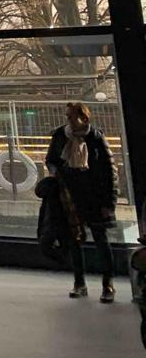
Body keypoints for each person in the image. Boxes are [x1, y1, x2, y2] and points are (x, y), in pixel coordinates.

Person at [46, 101, 118, 302]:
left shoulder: (95, 137)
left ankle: (107, 284)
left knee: (100, 240)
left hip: (92, 195)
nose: (68, 119)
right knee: (75, 240)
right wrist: (55, 175)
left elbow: (109, 170)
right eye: (67, 116)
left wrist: (108, 203)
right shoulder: (61, 135)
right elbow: (51, 159)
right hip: (70, 193)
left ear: (83, 118)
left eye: (71, 116)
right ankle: (80, 283)